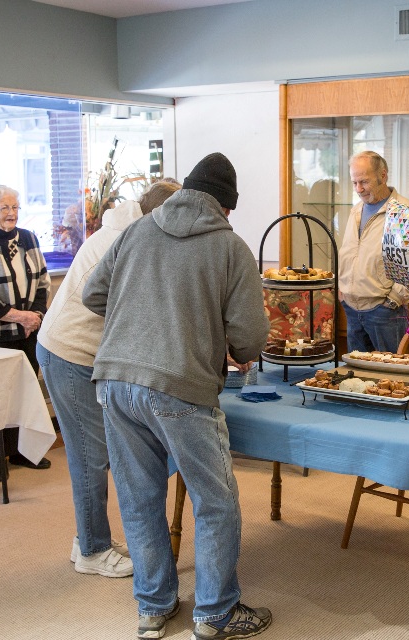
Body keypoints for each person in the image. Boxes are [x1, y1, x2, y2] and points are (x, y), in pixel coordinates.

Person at [82, 152, 271, 640]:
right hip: (179, 386)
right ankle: (216, 614)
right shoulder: (230, 247)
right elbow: (250, 338)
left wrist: (142, 319)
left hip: (114, 381)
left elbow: (91, 295)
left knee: (139, 498)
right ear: (226, 207)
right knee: (215, 501)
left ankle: (154, 607)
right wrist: (215, 338)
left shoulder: (137, 230)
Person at [36, 181, 180, 579]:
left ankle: (87, 537)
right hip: (70, 352)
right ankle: (93, 550)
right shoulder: (130, 240)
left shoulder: (129, 229)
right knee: (90, 457)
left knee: (94, 453)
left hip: (74, 351)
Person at [0, 185, 53, 482]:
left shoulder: (29, 238)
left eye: (14, 207)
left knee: (25, 393)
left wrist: (35, 316)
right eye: (4, 208)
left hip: (29, 331)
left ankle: (21, 452)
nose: (11, 213)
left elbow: (43, 282)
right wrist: (21, 317)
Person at [338, 150, 409, 353]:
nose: (359, 189)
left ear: (383, 175)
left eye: (364, 181)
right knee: (357, 372)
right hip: (352, 308)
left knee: (391, 371)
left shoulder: (404, 211)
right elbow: (348, 252)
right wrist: (343, 290)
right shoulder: (356, 210)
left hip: (385, 312)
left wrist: (393, 300)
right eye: (354, 183)